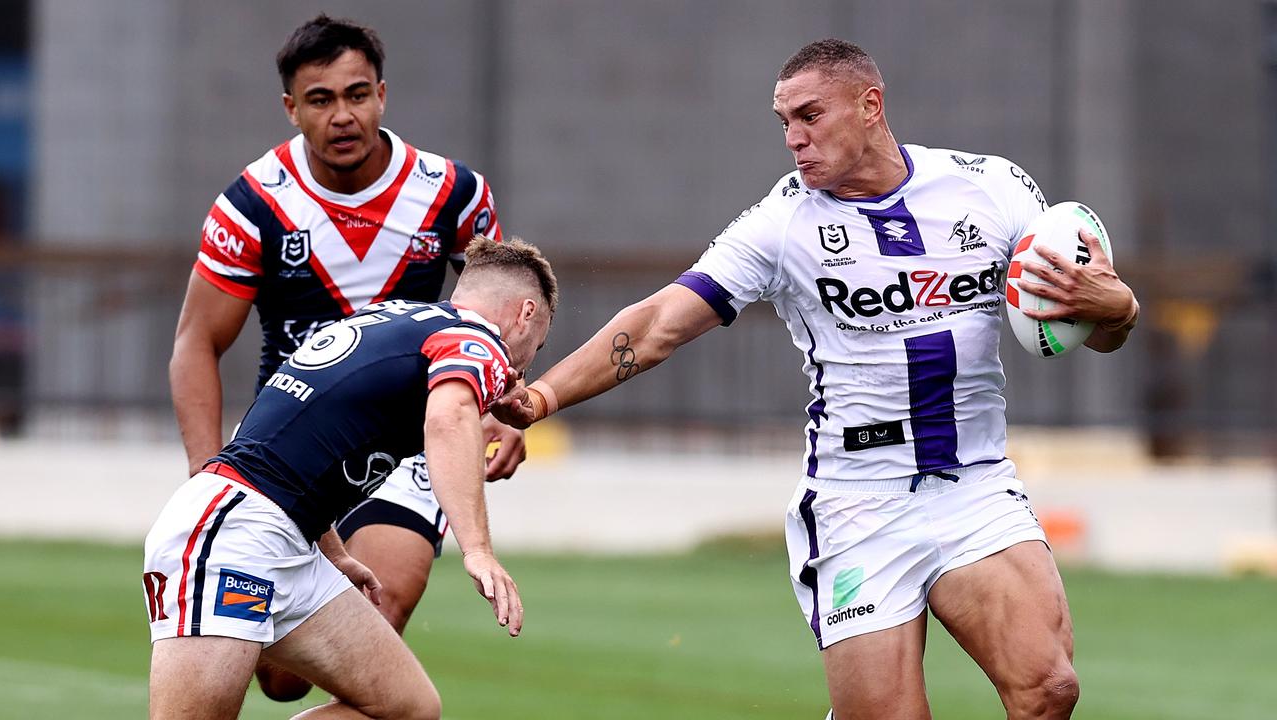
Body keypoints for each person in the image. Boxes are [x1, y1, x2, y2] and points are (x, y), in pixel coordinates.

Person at [493, 40, 1139, 720]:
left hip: (974, 482)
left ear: (870, 106)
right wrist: (540, 398)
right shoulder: (783, 223)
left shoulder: (994, 187)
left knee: (1050, 689)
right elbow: (658, 323)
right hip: (856, 501)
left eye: (809, 116)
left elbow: (1088, 326)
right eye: (783, 123)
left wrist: (1118, 308)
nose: (794, 140)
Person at [168, 14, 526, 700]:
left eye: (357, 95)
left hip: (407, 451)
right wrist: (204, 472)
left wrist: (508, 410)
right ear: (291, 107)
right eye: (322, 99)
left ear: (383, 96)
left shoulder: (453, 194)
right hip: (293, 439)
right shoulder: (254, 204)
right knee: (278, 679)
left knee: (379, 608)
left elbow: (499, 311)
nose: (343, 115)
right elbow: (196, 342)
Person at [145, 237, 556, 720]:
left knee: (407, 708)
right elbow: (449, 420)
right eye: (540, 345)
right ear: (526, 313)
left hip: (290, 540)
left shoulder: (396, 318)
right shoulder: (478, 339)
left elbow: (290, 437)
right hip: (233, 538)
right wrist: (478, 549)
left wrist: (335, 552)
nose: (525, 364)